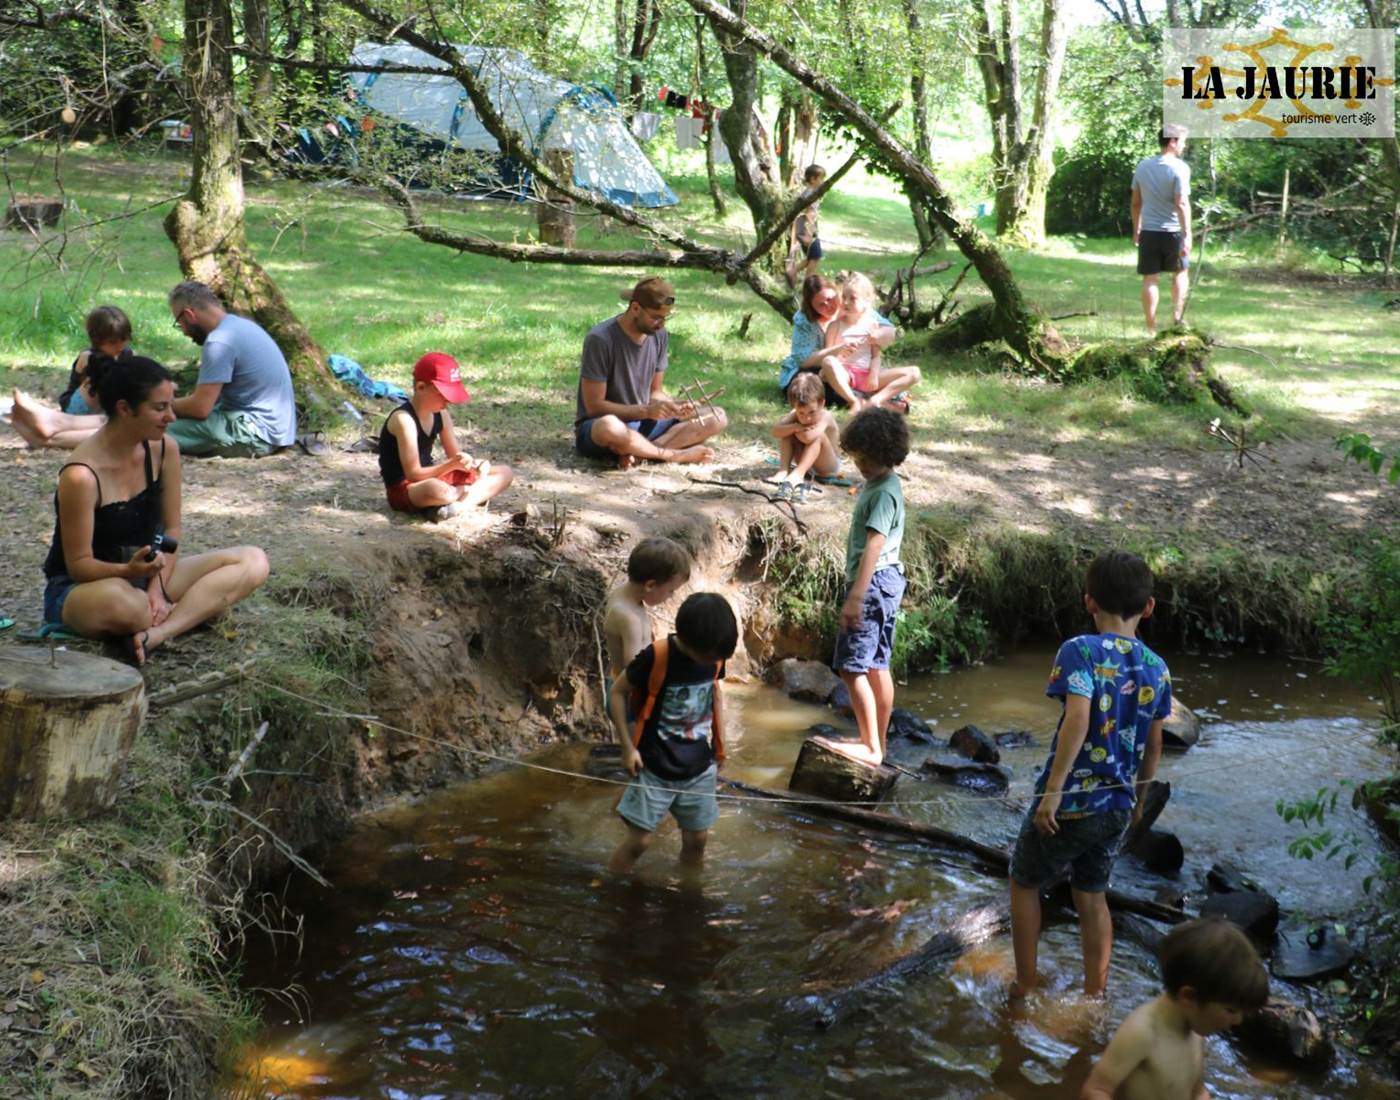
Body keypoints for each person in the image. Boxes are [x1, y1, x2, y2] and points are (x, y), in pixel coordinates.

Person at [1009, 550, 1173, 999]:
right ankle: (1095, 996)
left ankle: (1024, 987)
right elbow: (1155, 745)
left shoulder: (1078, 650)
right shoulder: (1158, 669)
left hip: (1072, 801)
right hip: (1118, 804)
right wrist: (1138, 800)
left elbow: (1078, 720)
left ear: (1089, 602)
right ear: (1149, 607)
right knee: (1092, 894)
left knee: (1024, 881)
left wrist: (1053, 792)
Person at [41, 353, 270, 665]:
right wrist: (128, 572)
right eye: (160, 408)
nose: (172, 417)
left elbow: (170, 532)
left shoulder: (165, 449)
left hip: (146, 575)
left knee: (253, 560)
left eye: (170, 405)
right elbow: (79, 565)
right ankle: (189, 610)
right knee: (130, 607)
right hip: (85, 588)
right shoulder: (80, 475)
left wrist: (157, 588)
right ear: (125, 409)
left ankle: (158, 633)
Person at [11, 282, 299, 457]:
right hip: (264, 426)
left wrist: (156, 406)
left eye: (179, 322)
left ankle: (49, 438)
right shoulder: (239, 326)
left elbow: (200, 408)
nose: (183, 331)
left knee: (143, 421)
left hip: (255, 433)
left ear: (189, 314)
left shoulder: (221, 342)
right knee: (145, 415)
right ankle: (55, 422)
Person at [606, 591, 738, 876]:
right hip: (654, 766)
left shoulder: (713, 656)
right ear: (688, 640)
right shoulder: (657, 656)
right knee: (639, 842)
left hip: (699, 768)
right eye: (708, 656)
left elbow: (715, 695)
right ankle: (611, 889)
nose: (712, 661)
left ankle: (689, 895)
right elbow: (617, 692)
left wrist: (721, 746)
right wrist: (628, 748)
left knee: (697, 841)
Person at [1081, 918, 1268, 1100]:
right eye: (1231, 1010)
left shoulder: (1195, 1031)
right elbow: (1096, 1090)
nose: (1238, 1020)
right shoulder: (1142, 1033)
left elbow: (1197, 1092)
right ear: (1189, 997)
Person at [574, 276, 728, 469]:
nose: (661, 324)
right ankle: (671, 455)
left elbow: (655, 391)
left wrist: (672, 406)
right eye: (656, 317)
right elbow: (594, 407)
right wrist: (646, 410)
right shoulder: (600, 339)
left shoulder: (659, 336)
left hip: (643, 422)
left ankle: (639, 453)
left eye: (665, 318)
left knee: (717, 417)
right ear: (635, 308)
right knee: (609, 427)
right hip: (605, 427)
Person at [832, 407, 909, 766]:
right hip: (888, 581)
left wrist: (856, 596)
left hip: (873, 583)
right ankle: (878, 741)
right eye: (856, 456)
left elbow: (874, 545)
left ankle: (871, 747)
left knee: (851, 667)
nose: (859, 463)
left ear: (884, 455)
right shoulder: (886, 483)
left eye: (865, 458)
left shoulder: (880, 494)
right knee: (878, 664)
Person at [378, 352, 513, 521]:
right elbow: (413, 474)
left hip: (436, 478)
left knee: (505, 472)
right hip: (406, 488)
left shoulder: (441, 415)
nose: (447, 401)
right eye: (442, 394)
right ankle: (458, 497)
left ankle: (454, 507)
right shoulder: (404, 420)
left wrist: (474, 466)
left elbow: (456, 458)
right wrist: (451, 468)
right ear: (421, 388)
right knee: (438, 491)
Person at [9, 305, 134, 449]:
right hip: (80, 407)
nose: (119, 346)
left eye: (123, 340)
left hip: (109, 409)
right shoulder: (89, 357)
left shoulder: (127, 355)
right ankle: (57, 422)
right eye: (112, 342)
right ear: (97, 340)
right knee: (101, 373)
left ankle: (49, 431)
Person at [777, 275, 898, 402]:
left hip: (852, 369)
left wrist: (877, 335)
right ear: (811, 306)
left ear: (836, 292)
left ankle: (871, 396)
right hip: (814, 367)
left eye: (830, 299)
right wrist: (837, 350)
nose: (828, 306)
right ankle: (862, 400)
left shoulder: (851, 304)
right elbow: (804, 360)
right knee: (815, 385)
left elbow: (889, 330)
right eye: (821, 305)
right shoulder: (805, 320)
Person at [822, 273, 921, 412]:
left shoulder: (872, 325)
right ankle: (854, 401)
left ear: (866, 301)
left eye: (853, 299)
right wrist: (840, 354)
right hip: (846, 374)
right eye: (844, 297)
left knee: (914, 372)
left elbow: (875, 355)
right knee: (827, 362)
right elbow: (829, 355)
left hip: (867, 374)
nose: (846, 302)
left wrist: (873, 374)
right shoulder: (835, 326)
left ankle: (876, 401)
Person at [601, 536, 692, 682]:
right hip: (627, 695)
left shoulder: (627, 596)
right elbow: (635, 668)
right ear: (650, 585)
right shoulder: (627, 617)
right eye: (671, 590)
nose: (672, 596)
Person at [1132, 125, 1192, 336]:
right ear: (1172, 141)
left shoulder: (1142, 167)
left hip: (1149, 231)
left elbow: (1135, 203)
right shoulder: (1180, 168)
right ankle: (1177, 319)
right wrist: (1187, 234)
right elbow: (1181, 203)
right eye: (1182, 141)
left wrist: (1136, 228)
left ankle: (1150, 327)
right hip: (1174, 231)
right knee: (1180, 273)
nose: (1184, 145)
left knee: (1150, 278)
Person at [769, 371, 840, 500]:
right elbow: (775, 431)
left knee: (818, 436)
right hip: (806, 459)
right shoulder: (795, 414)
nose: (807, 418)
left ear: (822, 403)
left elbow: (808, 438)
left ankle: (798, 474)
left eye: (812, 412)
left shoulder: (825, 416)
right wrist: (795, 427)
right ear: (794, 407)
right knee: (787, 431)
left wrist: (798, 430)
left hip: (827, 465)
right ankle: (783, 470)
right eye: (801, 413)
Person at [790, 164, 827, 282]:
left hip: (803, 226)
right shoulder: (811, 194)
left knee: (812, 256)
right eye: (821, 178)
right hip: (807, 228)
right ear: (813, 179)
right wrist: (808, 233)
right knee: (815, 257)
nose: (823, 181)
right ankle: (807, 283)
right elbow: (810, 212)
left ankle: (792, 272)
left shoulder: (807, 192)